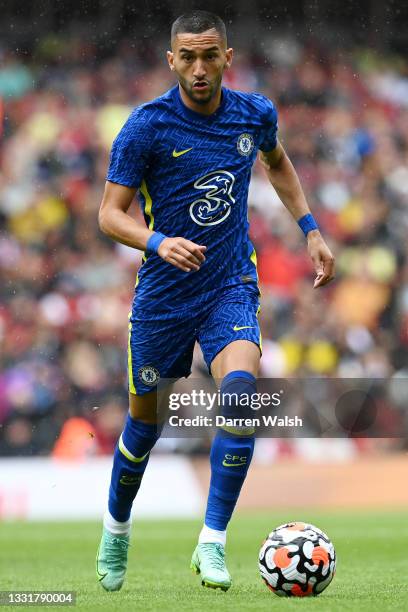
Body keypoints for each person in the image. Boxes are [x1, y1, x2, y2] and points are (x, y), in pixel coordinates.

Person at [96, 9, 335, 593]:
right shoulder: (146, 127)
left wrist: (310, 228)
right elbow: (108, 214)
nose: (199, 68)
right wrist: (157, 241)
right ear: (170, 59)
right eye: (188, 56)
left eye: (210, 56)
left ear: (227, 58)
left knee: (239, 397)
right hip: (162, 297)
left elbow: (277, 164)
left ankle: (212, 542)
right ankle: (116, 529)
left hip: (229, 284)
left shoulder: (254, 114)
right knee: (143, 428)